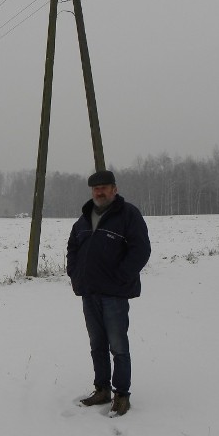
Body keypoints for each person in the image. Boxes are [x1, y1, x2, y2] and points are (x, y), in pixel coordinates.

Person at [66, 170, 151, 416]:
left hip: (114, 294)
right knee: (97, 345)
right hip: (89, 293)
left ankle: (121, 395)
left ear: (115, 189)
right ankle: (102, 390)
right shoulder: (83, 219)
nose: (99, 192)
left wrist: (121, 276)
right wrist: (74, 274)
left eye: (104, 187)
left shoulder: (128, 215)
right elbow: (72, 248)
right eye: (95, 188)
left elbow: (141, 249)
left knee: (118, 346)